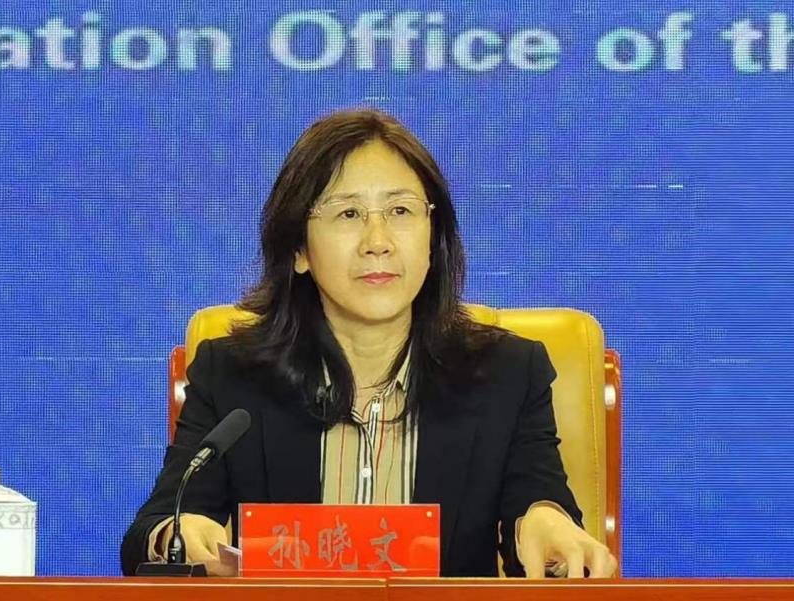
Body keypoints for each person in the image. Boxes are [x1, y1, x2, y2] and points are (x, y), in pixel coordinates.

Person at [121, 108, 617, 578]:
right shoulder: (232, 375)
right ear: (299, 249)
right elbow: (153, 531)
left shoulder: (507, 373)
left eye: (400, 210)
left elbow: (537, 497)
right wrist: (177, 533)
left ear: (433, 238)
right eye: (348, 213)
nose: (377, 241)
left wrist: (544, 522)